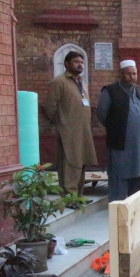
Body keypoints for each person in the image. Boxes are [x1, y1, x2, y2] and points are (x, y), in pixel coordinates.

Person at [96, 60, 140, 201]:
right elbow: (102, 113)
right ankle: (117, 206)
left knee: (139, 174)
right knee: (119, 173)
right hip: (121, 143)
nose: (132, 77)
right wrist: (116, 127)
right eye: (128, 74)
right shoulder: (110, 91)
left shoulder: (138, 90)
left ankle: (134, 205)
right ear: (121, 74)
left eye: (134, 73)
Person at [45, 51, 97, 198]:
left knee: (81, 164)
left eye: (82, 62)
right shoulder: (59, 82)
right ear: (66, 64)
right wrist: (62, 123)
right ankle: (69, 198)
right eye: (76, 61)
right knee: (70, 164)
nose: (80, 64)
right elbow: (50, 107)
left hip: (84, 131)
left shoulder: (82, 83)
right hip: (68, 132)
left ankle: (79, 197)